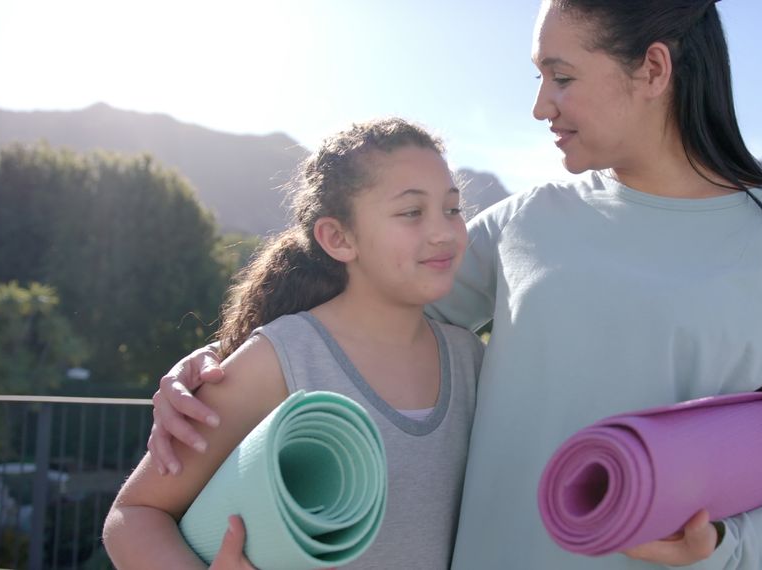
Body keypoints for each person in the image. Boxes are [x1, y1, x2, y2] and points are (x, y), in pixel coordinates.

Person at [146, 0, 762, 567]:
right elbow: (366, 307)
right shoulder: (531, 220)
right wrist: (221, 364)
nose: (540, 105)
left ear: (652, 69)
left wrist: (730, 548)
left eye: (562, 76)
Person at [102, 118, 484, 569]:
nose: (443, 231)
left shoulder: (472, 360)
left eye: (452, 209)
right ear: (338, 238)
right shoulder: (280, 358)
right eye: (412, 212)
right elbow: (133, 515)